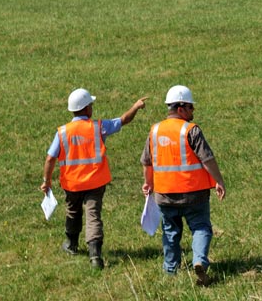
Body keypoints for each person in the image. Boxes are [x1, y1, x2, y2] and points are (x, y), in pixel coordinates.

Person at [40, 88, 147, 269]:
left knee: (72, 212)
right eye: (91, 105)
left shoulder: (62, 132)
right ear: (86, 109)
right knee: (93, 215)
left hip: (72, 184)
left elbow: (50, 158)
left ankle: (71, 244)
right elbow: (123, 120)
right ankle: (95, 256)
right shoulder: (99, 127)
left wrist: (47, 181)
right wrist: (136, 106)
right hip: (95, 182)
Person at [141, 85, 226, 286]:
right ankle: (199, 260)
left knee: (170, 232)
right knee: (201, 227)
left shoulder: (154, 131)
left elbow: (146, 162)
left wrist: (148, 183)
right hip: (193, 193)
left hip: (164, 194)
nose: (193, 111)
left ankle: (171, 270)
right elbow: (207, 159)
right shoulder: (191, 130)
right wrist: (218, 181)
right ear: (180, 109)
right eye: (190, 107)